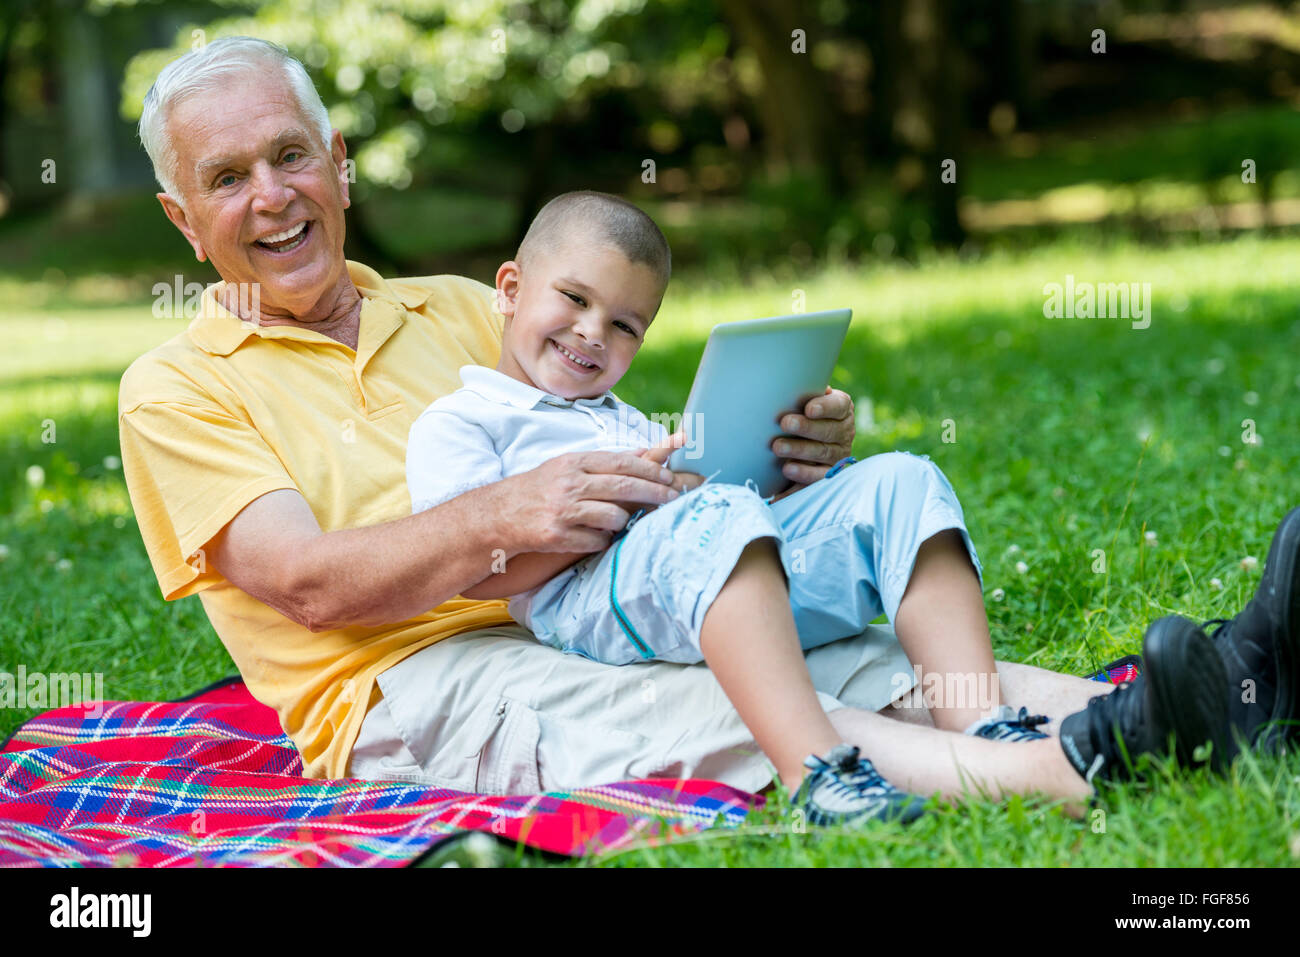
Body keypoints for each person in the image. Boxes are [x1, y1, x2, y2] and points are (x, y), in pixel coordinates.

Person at [118, 36, 1298, 823]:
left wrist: (767, 453)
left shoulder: (464, 307)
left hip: (598, 601)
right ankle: (1083, 767)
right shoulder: (174, 390)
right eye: (227, 178)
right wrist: (502, 519)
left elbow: (612, 433)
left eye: (289, 156)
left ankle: (1229, 691)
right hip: (418, 680)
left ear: (339, 163)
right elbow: (311, 588)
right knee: (746, 705)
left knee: (855, 659)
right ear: (182, 220)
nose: (270, 197)